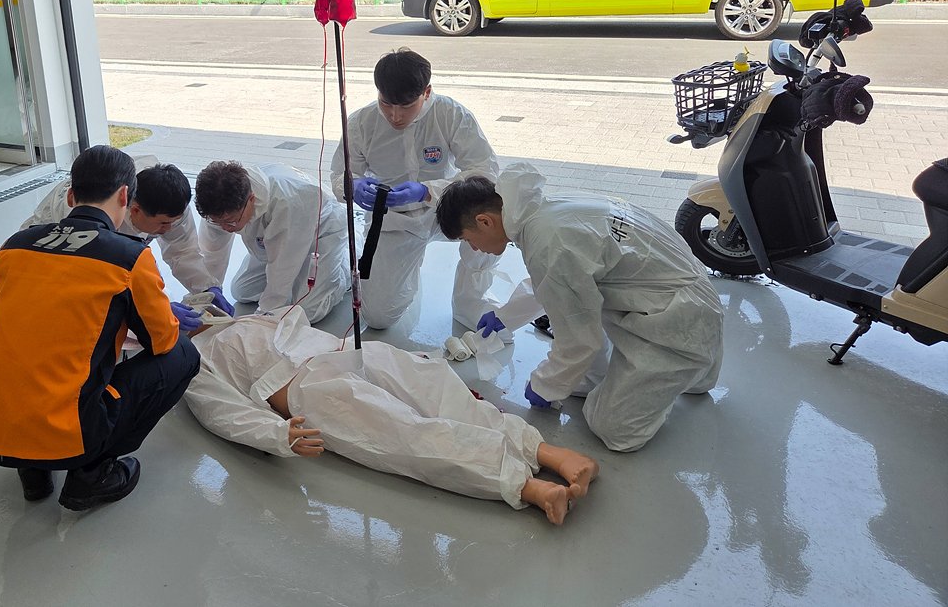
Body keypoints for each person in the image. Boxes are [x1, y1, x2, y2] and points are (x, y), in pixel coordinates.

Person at [184, 306, 599, 524]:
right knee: (403, 433)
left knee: (437, 389)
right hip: (309, 393)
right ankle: (528, 487)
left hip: (344, 352)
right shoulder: (192, 362)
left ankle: (547, 452)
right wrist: (276, 434)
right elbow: (222, 413)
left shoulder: (242, 316)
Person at [0, 145, 201, 509]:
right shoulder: (128, 257)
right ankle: (92, 473)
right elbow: (162, 341)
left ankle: (32, 470)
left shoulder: (13, 247)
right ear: (125, 196)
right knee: (182, 354)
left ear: (71, 195)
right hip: (69, 438)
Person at [435, 163, 724, 453]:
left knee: (614, 430)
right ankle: (691, 369)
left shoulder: (547, 242)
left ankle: (681, 365)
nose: (474, 248)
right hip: (686, 292)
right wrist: (505, 315)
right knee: (584, 375)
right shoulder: (545, 211)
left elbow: (579, 338)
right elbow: (561, 278)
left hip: (677, 321)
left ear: (485, 221)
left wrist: (546, 384)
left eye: (468, 239)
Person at [330, 48, 502, 331]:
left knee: (492, 217)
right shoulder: (362, 123)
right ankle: (391, 269)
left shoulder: (451, 114)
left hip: (447, 209)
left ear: (427, 92)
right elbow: (340, 174)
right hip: (394, 218)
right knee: (378, 318)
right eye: (386, 103)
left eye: (406, 106)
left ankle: (471, 302)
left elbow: (485, 173)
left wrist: (427, 191)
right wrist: (352, 186)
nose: (395, 116)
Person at [23, 153, 231, 313]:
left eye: (173, 222)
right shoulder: (94, 212)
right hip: (51, 255)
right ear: (134, 209)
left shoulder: (168, 199)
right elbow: (93, 279)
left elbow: (182, 251)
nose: (168, 229)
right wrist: (155, 309)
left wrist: (207, 287)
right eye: (162, 224)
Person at [194, 161, 349, 323]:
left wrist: (263, 318)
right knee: (242, 291)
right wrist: (209, 290)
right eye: (218, 222)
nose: (225, 228)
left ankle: (345, 262)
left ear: (251, 199)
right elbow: (212, 253)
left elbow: (283, 269)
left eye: (231, 221)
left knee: (308, 311)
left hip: (322, 230)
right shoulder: (217, 202)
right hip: (275, 240)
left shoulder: (288, 202)